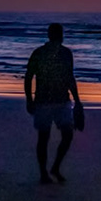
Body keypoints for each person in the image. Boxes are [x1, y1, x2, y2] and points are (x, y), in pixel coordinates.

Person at [24, 23, 85, 184]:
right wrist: (29, 99)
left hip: (59, 101)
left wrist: (77, 101)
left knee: (61, 135)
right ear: (60, 35)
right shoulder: (44, 53)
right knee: (51, 137)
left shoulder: (62, 53)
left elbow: (69, 78)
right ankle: (45, 172)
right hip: (46, 101)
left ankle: (53, 168)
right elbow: (29, 76)